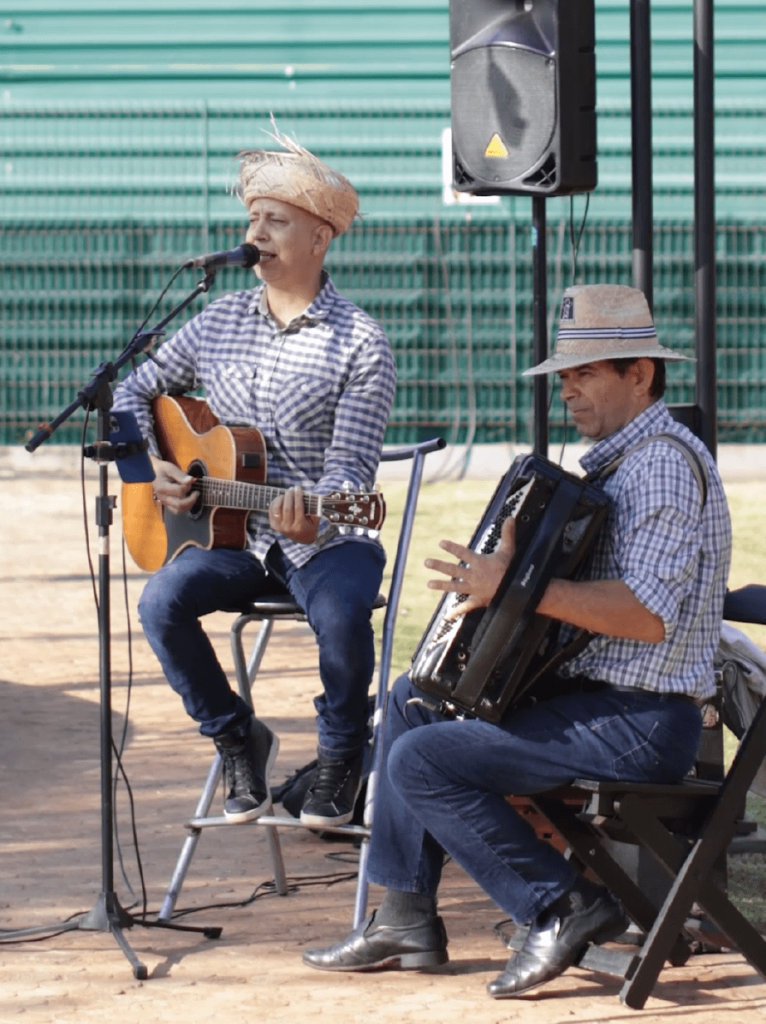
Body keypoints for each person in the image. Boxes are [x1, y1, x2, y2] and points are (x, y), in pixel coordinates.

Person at [302, 283, 732, 998]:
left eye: (585, 373)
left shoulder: (659, 465)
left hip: (644, 721)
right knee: (414, 700)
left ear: (641, 374)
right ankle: (405, 915)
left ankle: (562, 905)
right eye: (564, 376)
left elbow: (647, 616)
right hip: (597, 704)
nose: (568, 390)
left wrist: (515, 591)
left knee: (423, 758)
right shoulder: (623, 462)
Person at [112, 130, 397, 829]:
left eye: (276, 221)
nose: (255, 233)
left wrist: (321, 516)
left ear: (320, 236)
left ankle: (340, 754)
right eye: (252, 219)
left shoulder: (360, 342)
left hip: (322, 538)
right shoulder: (216, 321)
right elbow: (127, 395)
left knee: (339, 614)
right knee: (161, 604)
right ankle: (236, 735)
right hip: (230, 540)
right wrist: (150, 467)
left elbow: (350, 473)